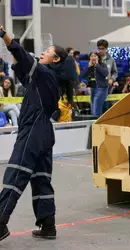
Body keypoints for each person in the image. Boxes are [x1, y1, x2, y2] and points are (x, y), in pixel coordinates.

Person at [0, 24, 68, 241]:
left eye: (47, 51)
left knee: (15, 175)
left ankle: (0, 223)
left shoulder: (46, 74)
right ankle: (48, 226)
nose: (43, 52)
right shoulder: (43, 78)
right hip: (44, 134)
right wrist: (16, 57)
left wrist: (4, 36)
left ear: (55, 59)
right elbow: (22, 68)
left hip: (33, 131)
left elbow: (22, 56)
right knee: (41, 180)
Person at [82, 52, 109, 117]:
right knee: (93, 111)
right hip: (92, 89)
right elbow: (83, 75)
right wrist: (88, 67)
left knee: (96, 111)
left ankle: (96, 125)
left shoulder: (102, 65)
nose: (93, 57)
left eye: (95, 56)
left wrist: (97, 65)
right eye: (91, 56)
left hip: (101, 89)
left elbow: (105, 73)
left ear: (98, 58)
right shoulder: (89, 67)